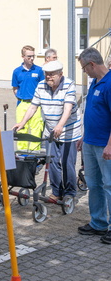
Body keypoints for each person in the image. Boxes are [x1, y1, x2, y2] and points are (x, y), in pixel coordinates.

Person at [13, 60, 82, 202]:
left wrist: (60, 125)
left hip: (69, 130)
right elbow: (33, 107)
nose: (48, 77)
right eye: (46, 74)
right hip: (51, 130)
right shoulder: (41, 85)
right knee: (52, 162)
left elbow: (68, 108)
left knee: (67, 163)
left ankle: (70, 192)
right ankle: (57, 191)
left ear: (60, 74)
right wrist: (22, 122)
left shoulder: (69, 85)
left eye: (52, 75)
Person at [76, 47, 111, 244]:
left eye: (84, 68)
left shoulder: (110, 83)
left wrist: (109, 145)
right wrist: (84, 136)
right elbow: (93, 113)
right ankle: (98, 222)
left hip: (104, 146)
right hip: (90, 142)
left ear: (92, 64)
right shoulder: (95, 83)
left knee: (109, 185)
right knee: (94, 184)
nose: (84, 72)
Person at [12, 45, 45, 151]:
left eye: (33, 56)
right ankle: (22, 153)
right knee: (21, 129)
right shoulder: (17, 71)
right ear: (23, 56)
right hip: (22, 104)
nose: (31, 58)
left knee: (36, 128)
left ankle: (34, 153)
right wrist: (21, 97)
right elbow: (15, 88)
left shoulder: (39, 70)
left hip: (36, 104)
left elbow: (43, 87)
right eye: (29, 56)